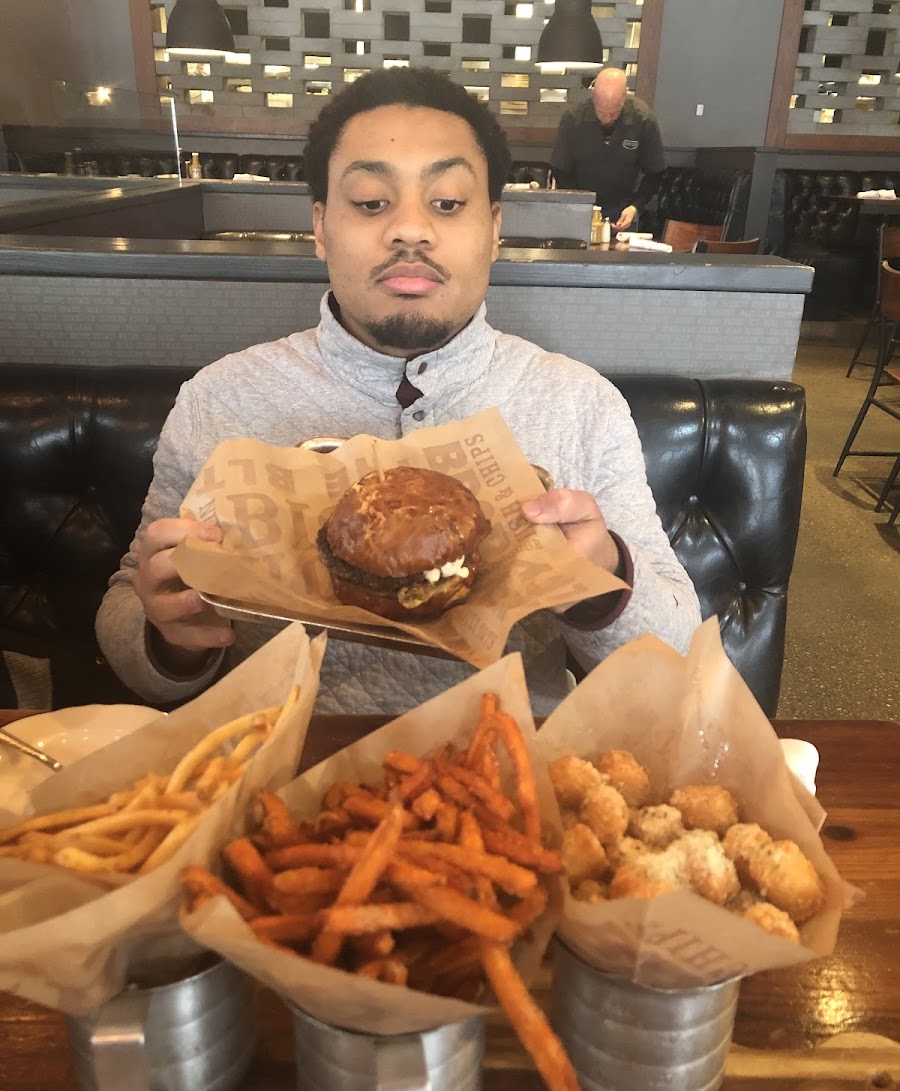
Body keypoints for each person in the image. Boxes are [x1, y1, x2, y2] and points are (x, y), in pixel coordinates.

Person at [96, 67, 699, 715]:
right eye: (371, 202)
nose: (410, 230)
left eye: (447, 202)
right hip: (280, 784)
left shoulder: (582, 405)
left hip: (507, 784)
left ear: (494, 227)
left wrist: (602, 581)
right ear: (321, 226)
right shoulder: (220, 400)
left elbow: (677, 653)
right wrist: (170, 638)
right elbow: (130, 608)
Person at [550, 67, 665, 233]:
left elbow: (655, 172)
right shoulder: (573, 118)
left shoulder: (643, 120)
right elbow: (560, 169)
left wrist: (635, 207)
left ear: (624, 97)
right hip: (580, 207)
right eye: (601, 112)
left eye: (613, 113)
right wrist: (580, 204)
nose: (607, 118)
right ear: (594, 97)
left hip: (623, 209)